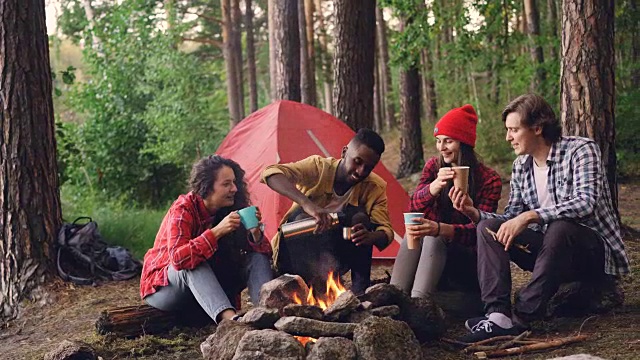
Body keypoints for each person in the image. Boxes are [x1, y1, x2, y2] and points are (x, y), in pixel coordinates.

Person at [450, 94, 631, 342]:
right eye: (507, 130)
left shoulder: (581, 150)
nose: (508, 137)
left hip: (591, 255)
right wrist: (474, 213)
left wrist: (530, 216)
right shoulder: (521, 165)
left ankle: (523, 316)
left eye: (514, 130)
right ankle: (498, 316)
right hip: (550, 256)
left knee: (560, 227)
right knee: (488, 227)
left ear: (537, 128)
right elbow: (512, 217)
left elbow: (585, 203)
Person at [140, 155, 273, 323]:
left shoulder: (231, 209)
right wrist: (217, 231)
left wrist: (255, 233)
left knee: (256, 258)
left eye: (234, 182)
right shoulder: (183, 209)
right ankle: (231, 321)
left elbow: (267, 253)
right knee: (193, 261)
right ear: (206, 187)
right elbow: (179, 260)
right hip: (165, 289)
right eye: (226, 184)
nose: (234, 189)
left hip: (207, 290)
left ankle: (268, 313)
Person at [261, 128, 393, 295]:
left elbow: (386, 231)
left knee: (360, 219)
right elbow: (271, 173)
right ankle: (302, 288)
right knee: (301, 216)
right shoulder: (319, 168)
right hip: (295, 250)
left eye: (368, 167)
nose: (361, 172)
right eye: (357, 161)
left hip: (335, 255)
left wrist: (370, 236)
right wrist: (307, 203)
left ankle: (360, 291)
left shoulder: (375, 186)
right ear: (344, 152)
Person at [390, 104, 502, 300]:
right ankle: (393, 297)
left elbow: (480, 233)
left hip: (466, 262)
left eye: (448, 141)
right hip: (430, 258)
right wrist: (433, 187)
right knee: (414, 231)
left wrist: (441, 229)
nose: (441, 148)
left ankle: (418, 304)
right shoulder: (434, 167)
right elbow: (413, 208)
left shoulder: (489, 179)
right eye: (438, 141)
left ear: (464, 143)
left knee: (434, 237)